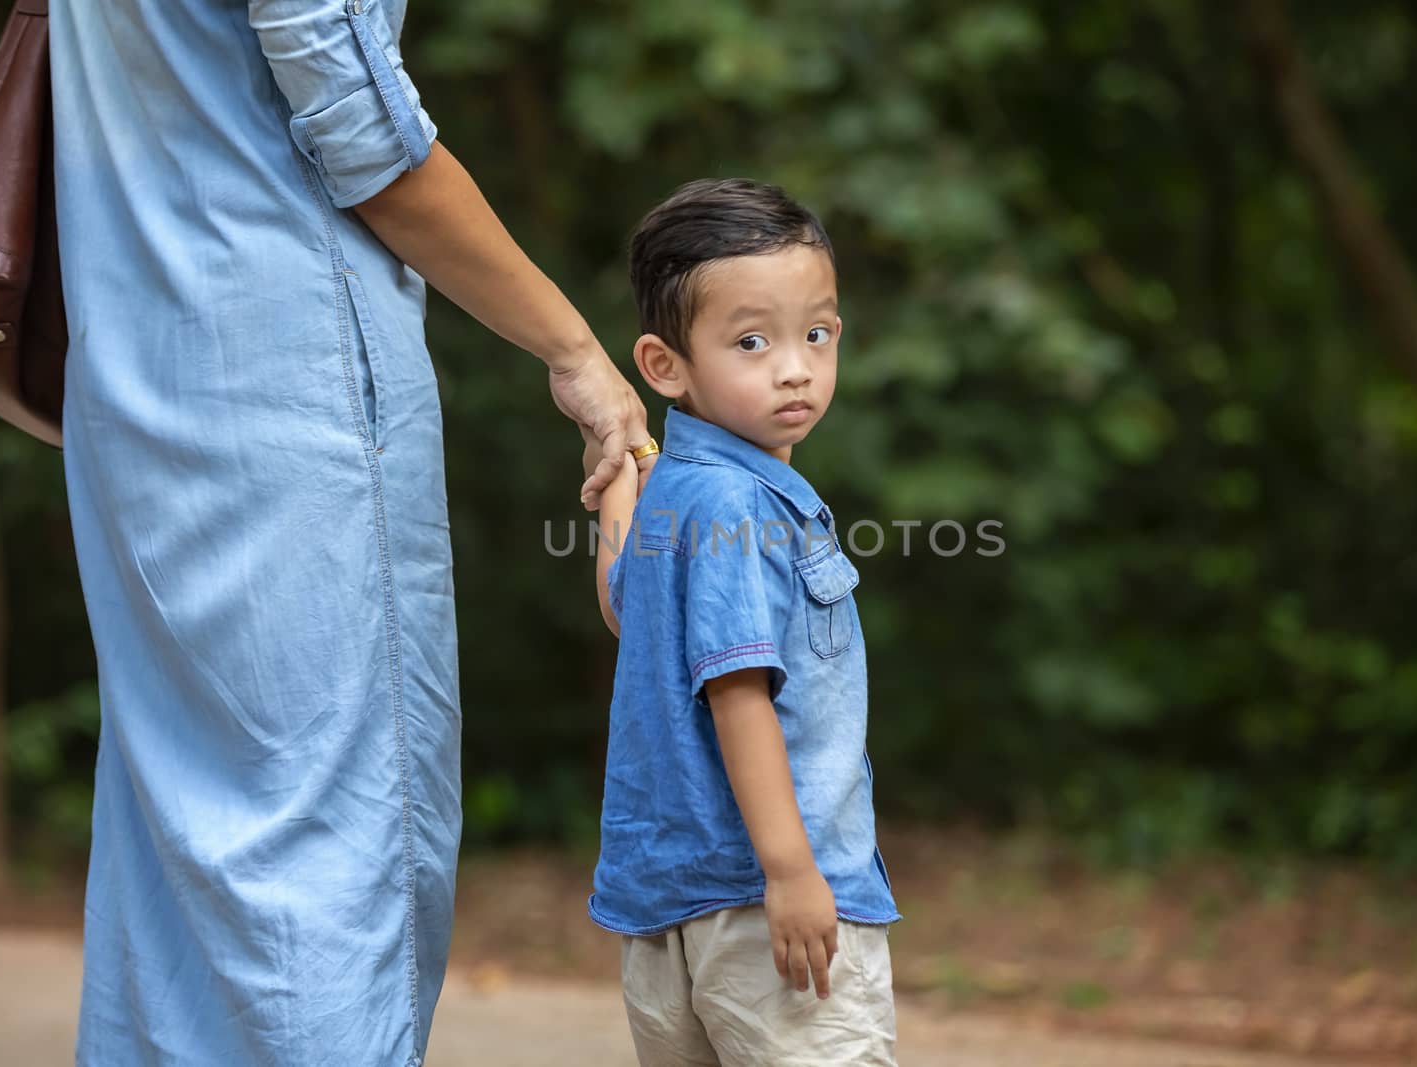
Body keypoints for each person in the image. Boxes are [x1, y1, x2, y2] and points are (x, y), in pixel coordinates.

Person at [47, 1, 652, 1062]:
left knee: (176, 846)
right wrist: (574, 351)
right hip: (290, 385)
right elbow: (365, 137)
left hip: (136, 375)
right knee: (329, 846)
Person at [580, 178, 901, 1066]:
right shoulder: (742, 503)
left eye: (818, 333)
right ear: (664, 365)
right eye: (752, 341)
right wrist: (793, 872)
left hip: (668, 905)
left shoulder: (677, 491)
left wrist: (616, 478)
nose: (794, 365)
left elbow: (624, 605)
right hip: (768, 906)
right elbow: (739, 692)